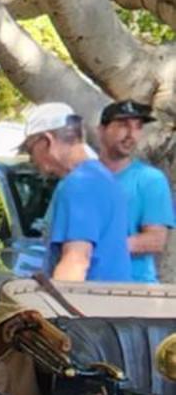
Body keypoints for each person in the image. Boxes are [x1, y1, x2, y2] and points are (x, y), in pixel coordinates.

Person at [20, 102, 132, 284]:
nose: (32, 159)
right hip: (115, 303)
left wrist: (55, 310)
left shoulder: (79, 185)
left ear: (47, 141)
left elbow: (76, 261)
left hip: (90, 306)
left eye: (30, 149)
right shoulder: (105, 177)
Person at [95, 98, 173, 283]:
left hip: (132, 290)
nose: (131, 134)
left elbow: (155, 240)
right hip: (78, 286)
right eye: (123, 125)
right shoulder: (80, 179)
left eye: (137, 127)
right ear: (101, 131)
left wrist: (92, 250)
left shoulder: (150, 179)